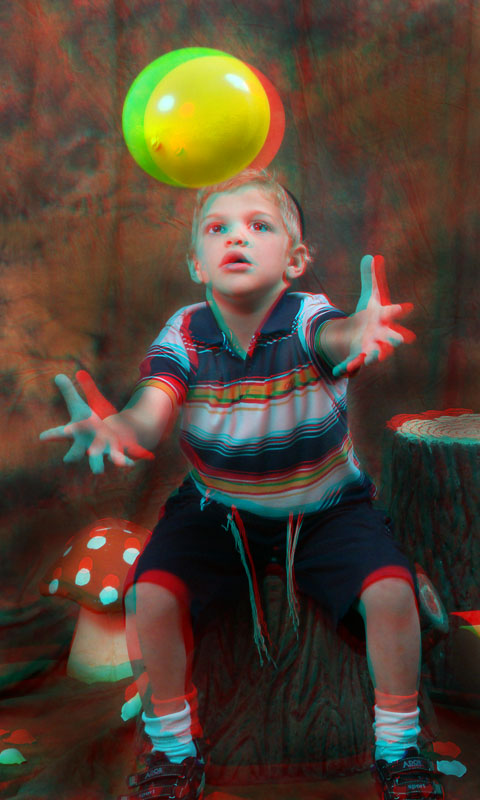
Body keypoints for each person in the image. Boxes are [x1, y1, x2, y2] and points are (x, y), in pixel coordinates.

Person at [40, 169, 446, 800]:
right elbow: (153, 408)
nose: (237, 238)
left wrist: (360, 330)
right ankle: (174, 750)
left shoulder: (308, 316)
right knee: (151, 596)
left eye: (259, 226)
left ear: (295, 259)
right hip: (217, 508)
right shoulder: (185, 331)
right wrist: (120, 427)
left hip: (326, 508)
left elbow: (335, 337)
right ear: (196, 262)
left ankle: (398, 746)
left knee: (390, 593)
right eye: (218, 229)